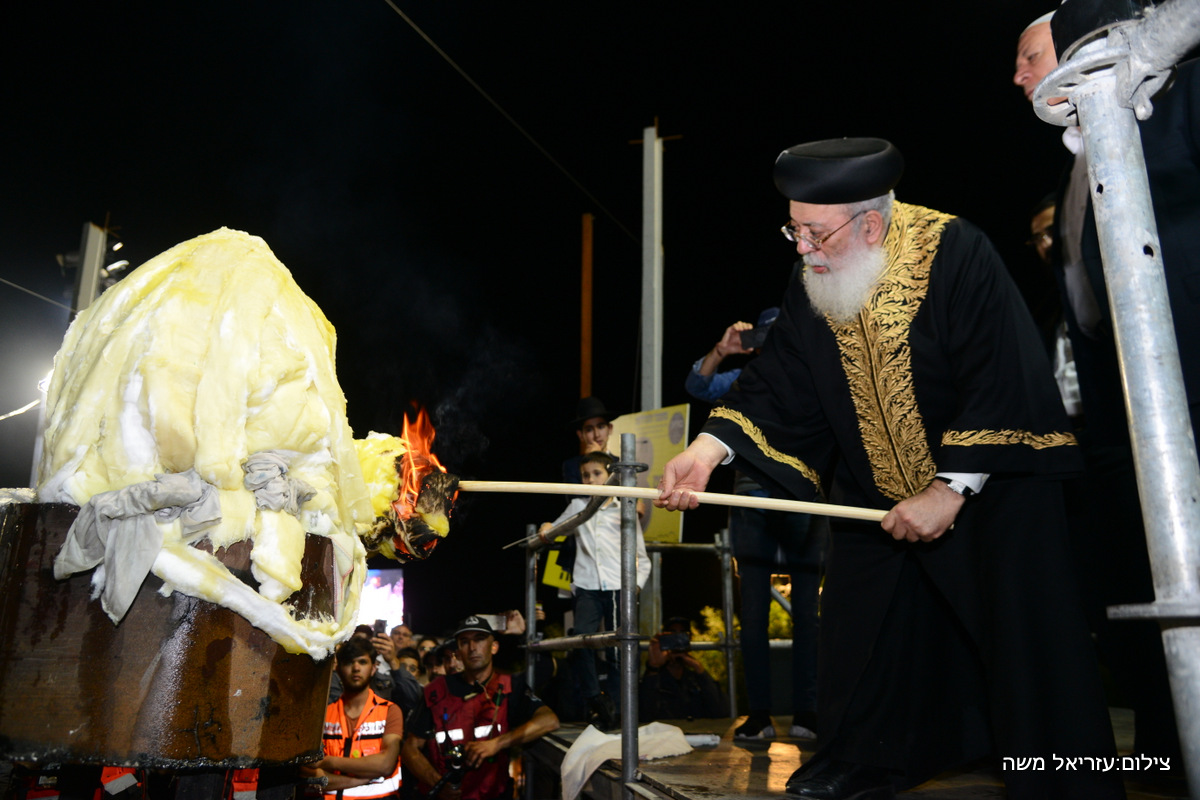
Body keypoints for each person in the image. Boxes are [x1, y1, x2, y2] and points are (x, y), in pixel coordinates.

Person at [656, 137, 1123, 799]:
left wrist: (950, 488)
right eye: (793, 228)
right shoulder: (812, 279)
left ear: (869, 223)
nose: (800, 247)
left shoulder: (955, 249)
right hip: (876, 492)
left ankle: (1062, 781)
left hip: (990, 486)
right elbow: (782, 379)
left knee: (1028, 647)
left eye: (813, 232)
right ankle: (866, 760)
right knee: (859, 631)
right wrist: (707, 451)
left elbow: (998, 370)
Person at [1014, 10, 1188, 767]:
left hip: (1182, 401)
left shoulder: (1169, 108)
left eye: (1028, 57)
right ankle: (1160, 744)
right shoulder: (1074, 162)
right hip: (1119, 431)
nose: (1020, 77)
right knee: (1127, 587)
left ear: (1080, 42)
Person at [685, 310, 826, 739]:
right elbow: (697, 387)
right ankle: (760, 714)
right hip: (752, 504)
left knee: (809, 614)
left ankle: (808, 712)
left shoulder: (817, 373)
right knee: (754, 616)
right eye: (766, 335)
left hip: (805, 503)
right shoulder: (746, 379)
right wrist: (722, 349)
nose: (775, 341)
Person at [540, 451, 651, 730]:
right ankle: (594, 699)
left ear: (610, 476)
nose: (590, 479)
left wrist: (635, 586)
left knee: (617, 650)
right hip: (587, 585)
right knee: (580, 640)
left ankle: (615, 710)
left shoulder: (625, 507)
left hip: (618, 587)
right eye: (586, 475)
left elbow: (643, 557)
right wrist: (546, 528)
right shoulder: (579, 503)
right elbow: (555, 529)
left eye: (596, 474)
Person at [401, 616, 560, 800]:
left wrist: (496, 744)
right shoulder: (435, 691)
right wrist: (437, 783)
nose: (472, 647)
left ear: (494, 647)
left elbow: (549, 720)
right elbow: (409, 748)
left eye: (479, 639)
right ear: (458, 652)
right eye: (465, 642)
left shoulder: (509, 686)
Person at [306, 638, 403, 799]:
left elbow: (385, 764)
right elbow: (308, 773)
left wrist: (327, 762)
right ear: (337, 668)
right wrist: (362, 779)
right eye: (349, 663)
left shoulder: (390, 711)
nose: (356, 668)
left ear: (374, 668)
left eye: (362, 662)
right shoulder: (323, 715)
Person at [638, 617, 726, 721]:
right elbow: (645, 714)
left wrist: (699, 669)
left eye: (682, 635)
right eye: (673, 635)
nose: (677, 641)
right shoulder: (655, 678)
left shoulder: (696, 679)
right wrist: (654, 666)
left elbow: (721, 712)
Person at [561, 396, 616, 484]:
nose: (596, 435)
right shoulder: (572, 465)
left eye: (601, 427)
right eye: (589, 430)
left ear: (610, 428)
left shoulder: (619, 464)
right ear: (581, 435)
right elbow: (575, 497)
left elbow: (622, 496)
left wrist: (599, 457)